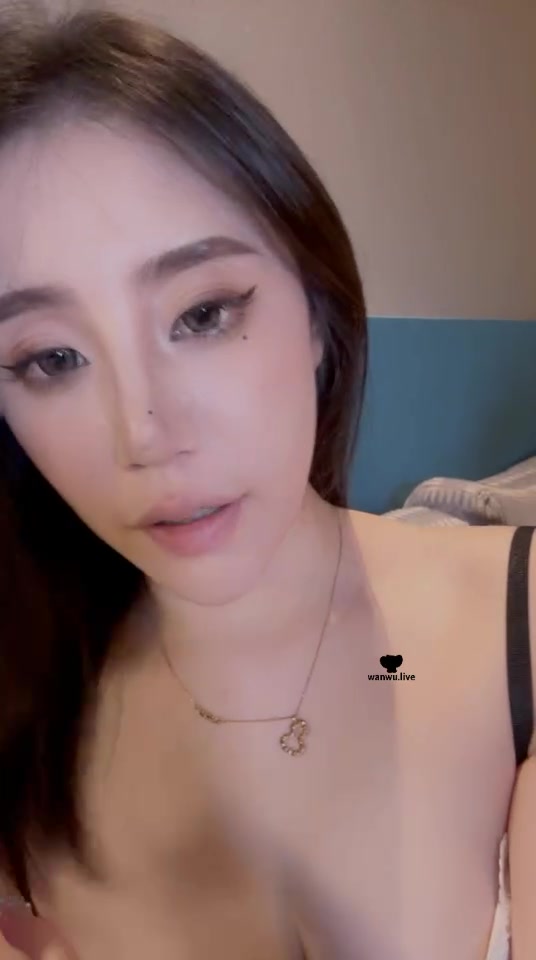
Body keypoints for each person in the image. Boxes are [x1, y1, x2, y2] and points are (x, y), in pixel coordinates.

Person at [0, 6, 534, 959]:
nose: (146, 435)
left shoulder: (520, 629)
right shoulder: (27, 722)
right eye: (51, 358)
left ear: (318, 314)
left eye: (203, 314)